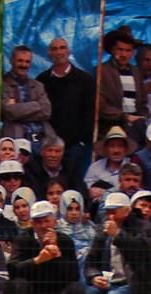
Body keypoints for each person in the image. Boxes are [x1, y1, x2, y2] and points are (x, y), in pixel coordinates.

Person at [8, 200, 83, 294]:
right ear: (32, 223)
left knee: (76, 288)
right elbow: (13, 269)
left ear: (54, 221)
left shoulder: (65, 241)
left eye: (47, 221)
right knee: (18, 285)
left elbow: (74, 274)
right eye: (38, 222)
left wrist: (57, 255)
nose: (43, 226)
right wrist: (37, 260)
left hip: (56, 293)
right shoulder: (23, 239)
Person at [37, 36, 95, 186]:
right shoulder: (42, 81)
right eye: (54, 48)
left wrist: (83, 141)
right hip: (50, 146)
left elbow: (90, 113)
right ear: (49, 54)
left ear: (69, 52)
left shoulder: (85, 80)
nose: (59, 52)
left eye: (62, 48)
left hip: (75, 146)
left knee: (75, 184)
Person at [1, 45, 55, 147]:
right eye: (20, 61)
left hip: (42, 141)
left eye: (27, 61)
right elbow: (10, 112)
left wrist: (19, 109)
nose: (24, 65)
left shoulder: (38, 85)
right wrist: (36, 104)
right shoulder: (2, 84)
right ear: (11, 61)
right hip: (16, 142)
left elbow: (47, 111)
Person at [98, 26, 147, 134]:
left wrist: (141, 117)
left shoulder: (136, 72)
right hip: (110, 127)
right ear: (112, 50)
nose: (124, 54)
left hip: (135, 127)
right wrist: (123, 116)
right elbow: (100, 105)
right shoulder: (102, 71)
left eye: (128, 50)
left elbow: (143, 100)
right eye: (120, 49)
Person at [84, 126, 135, 200]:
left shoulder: (132, 167)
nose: (116, 150)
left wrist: (106, 193)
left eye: (120, 146)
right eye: (112, 146)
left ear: (126, 149)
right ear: (105, 149)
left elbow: (133, 191)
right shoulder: (95, 167)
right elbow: (90, 191)